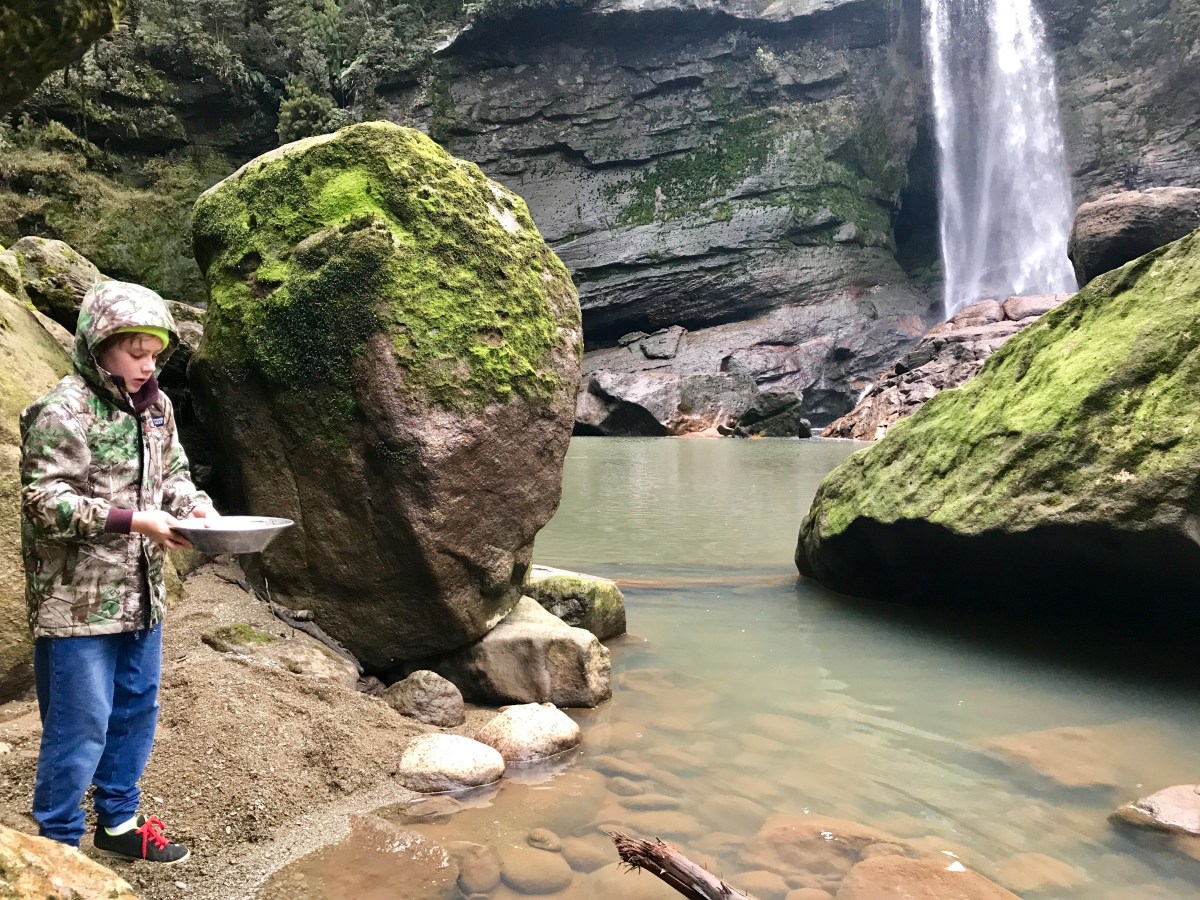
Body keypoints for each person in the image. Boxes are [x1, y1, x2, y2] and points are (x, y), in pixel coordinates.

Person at [19, 280, 217, 863]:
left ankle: (118, 823)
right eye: (135, 352)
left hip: (142, 596)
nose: (146, 364)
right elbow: (43, 503)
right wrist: (136, 522)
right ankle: (56, 848)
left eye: (154, 353)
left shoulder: (158, 408)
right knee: (79, 727)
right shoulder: (61, 410)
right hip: (75, 605)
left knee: (135, 710)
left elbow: (174, 475)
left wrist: (195, 507)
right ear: (97, 346)